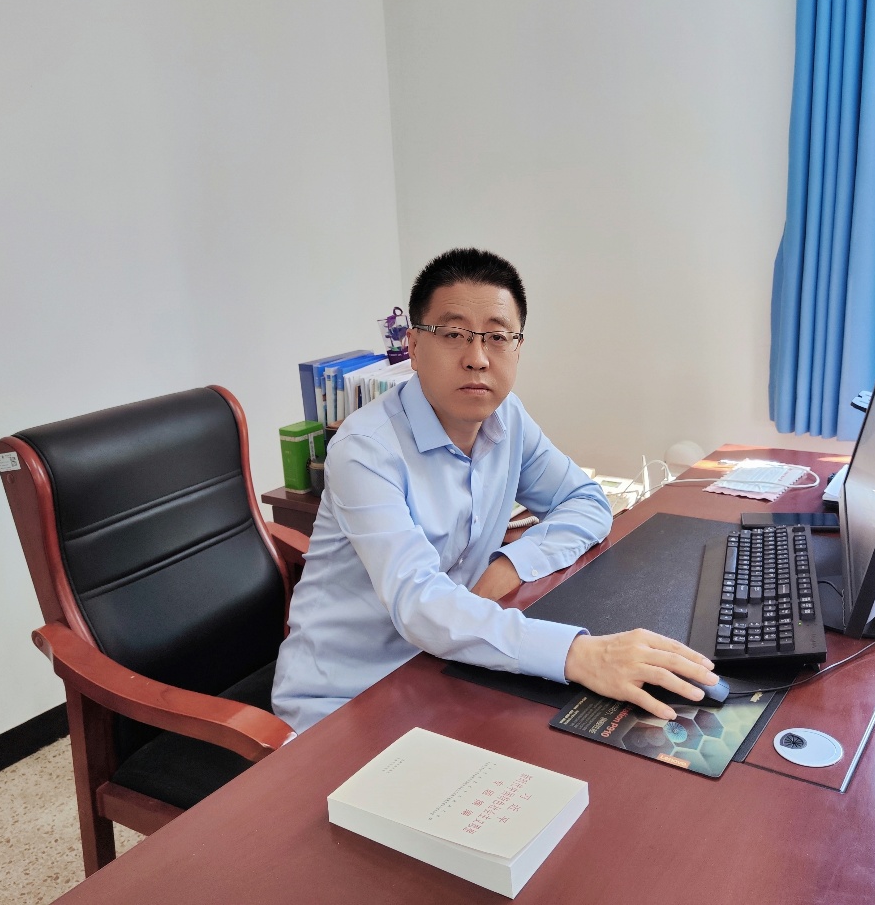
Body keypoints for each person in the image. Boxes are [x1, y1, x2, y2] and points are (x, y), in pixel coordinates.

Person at [271, 248, 718, 732]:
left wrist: (511, 564)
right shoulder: (365, 450)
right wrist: (578, 654)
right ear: (414, 347)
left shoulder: (507, 418)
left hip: (448, 667)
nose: (477, 359)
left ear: (517, 348)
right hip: (346, 700)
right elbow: (418, 604)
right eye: (454, 334)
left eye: (498, 337)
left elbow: (586, 502)